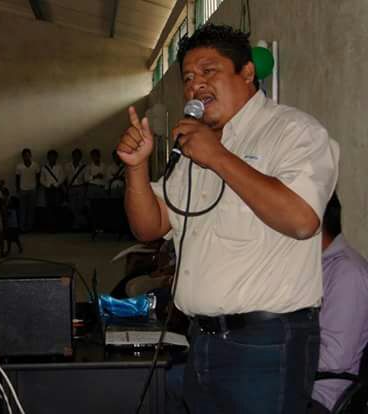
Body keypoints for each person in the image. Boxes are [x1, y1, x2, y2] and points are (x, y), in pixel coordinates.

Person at [117, 24, 339, 414]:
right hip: (201, 342)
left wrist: (218, 157)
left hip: (266, 345)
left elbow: (302, 219)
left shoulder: (292, 132)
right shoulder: (194, 149)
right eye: (187, 77)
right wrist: (135, 168)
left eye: (209, 71)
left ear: (247, 73)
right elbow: (150, 226)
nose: (195, 85)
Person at [309, 193, 368, 413]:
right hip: (298, 385)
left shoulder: (347, 272)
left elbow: (334, 359)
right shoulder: (315, 268)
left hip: (319, 396)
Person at [15, 148, 40, 232]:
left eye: (28, 155)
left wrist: (37, 188)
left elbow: (38, 177)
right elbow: (17, 178)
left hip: (33, 189)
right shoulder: (19, 166)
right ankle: (22, 227)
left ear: (31, 155)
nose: (27, 157)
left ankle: (30, 227)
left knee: (31, 209)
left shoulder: (35, 165)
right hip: (23, 189)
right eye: (25, 155)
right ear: (23, 156)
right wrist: (18, 189)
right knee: (22, 209)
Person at [40, 150, 65, 232]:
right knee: (49, 208)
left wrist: (55, 185)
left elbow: (62, 177)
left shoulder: (59, 167)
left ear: (56, 157)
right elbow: (41, 179)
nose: (52, 158)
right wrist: (48, 185)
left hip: (57, 190)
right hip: (48, 190)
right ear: (47, 157)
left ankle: (57, 226)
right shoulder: (44, 167)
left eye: (53, 156)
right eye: (50, 156)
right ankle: (50, 226)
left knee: (57, 207)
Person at [65, 148, 87, 230]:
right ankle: (81, 221)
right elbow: (65, 177)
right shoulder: (67, 165)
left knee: (80, 206)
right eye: (75, 155)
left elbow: (85, 179)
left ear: (80, 157)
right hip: (71, 187)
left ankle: (76, 224)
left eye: (78, 155)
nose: (76, 157)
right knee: (72, 206)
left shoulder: (84, 166)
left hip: (81, 187)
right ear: (72, 156)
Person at [3, 188, 22, 255]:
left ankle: (11, 249)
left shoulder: (11, 209)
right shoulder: (13, 209)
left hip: (11, 226)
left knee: (12, 239)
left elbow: (7, 214)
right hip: (12, 225)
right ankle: (13, 249)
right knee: (12, 239)